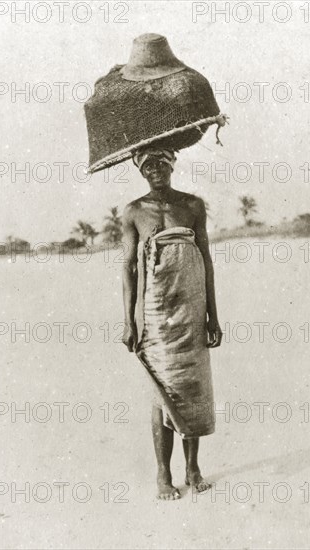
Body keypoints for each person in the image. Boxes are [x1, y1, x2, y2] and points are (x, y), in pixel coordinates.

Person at [122, 147, 223, 500]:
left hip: (191, 307)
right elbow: (129, 268)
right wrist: (128, 320)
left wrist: (213, 314)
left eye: (161, 164)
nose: (155, 170)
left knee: (191, 386)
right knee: (162, 390)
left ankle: (193, 468)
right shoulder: (134, 211)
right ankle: (163, 474)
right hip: (154, 312)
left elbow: (206, 259)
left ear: (171, 165)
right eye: (148, 165)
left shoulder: (193, 206)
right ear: (140, 170)